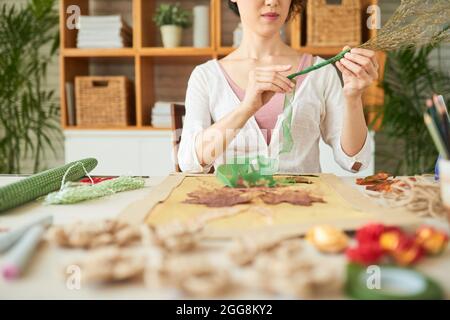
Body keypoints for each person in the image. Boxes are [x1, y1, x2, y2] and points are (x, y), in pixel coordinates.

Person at [178, 0, 379, 174]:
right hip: (233, 208)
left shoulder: (320, 72)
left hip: (306, 208)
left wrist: (353, 98)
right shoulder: (206, 76)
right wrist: (246, 108)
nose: (273, 1)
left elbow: (354, 163)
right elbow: (190, 162)